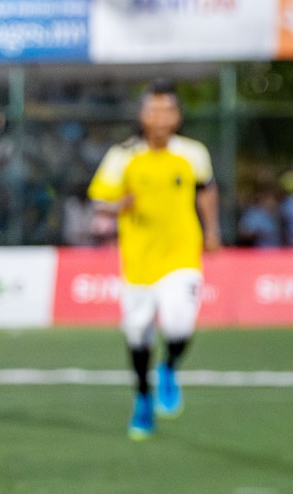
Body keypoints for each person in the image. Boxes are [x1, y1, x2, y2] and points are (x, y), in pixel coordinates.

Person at [86, 80, 220, 440]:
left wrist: (211, 230)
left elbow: (207, 189)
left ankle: (169, 367)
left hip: (181, 254)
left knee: (180, 326)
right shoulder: (122, 155)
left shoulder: (193, 153)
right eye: (154, 109)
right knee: (138, 335)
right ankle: (143, 399)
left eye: (168, 109)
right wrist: (118, 206)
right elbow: (99, 199)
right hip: (139, 260)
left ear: (177, 116)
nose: (161, 116)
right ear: (142, 115)